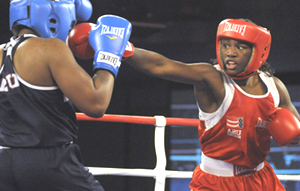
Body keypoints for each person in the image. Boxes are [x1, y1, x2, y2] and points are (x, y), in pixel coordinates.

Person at [124, 18, 300, 190]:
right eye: (225, 45)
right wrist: (125, 48)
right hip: (216, 182)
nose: (230, 52)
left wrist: (294, 135)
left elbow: (297, 129)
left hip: (260, 179)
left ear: (258, 50)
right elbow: (160, 66)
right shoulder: (212, 79)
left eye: (240, 47)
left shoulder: (274, 87)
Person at [0, 0, 131, 191]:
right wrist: (108, 57)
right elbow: (96, 104)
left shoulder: (2, 52)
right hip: (51, 163)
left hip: (5, 162)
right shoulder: (51, 49)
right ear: (54, 16)